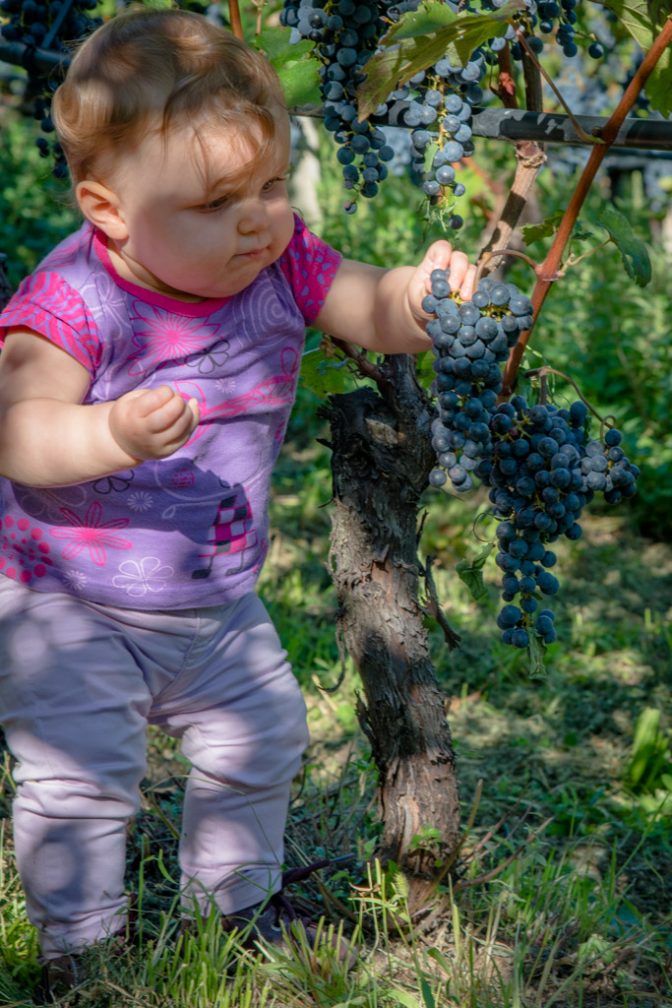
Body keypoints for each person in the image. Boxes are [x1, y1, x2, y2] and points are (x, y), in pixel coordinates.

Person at [0, 4, 476, 994]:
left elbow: (367, 304)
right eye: (219, 202)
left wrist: (422, 301)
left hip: (215, 603)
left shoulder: (280, 261)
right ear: (108, 210)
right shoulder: (75, 301)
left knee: (263, 737)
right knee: (80, 780)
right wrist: (109, 433)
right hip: (69, 600)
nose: (259, 217)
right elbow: (19, 429)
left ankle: (233, 905)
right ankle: (79, 947)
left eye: (271, 184)